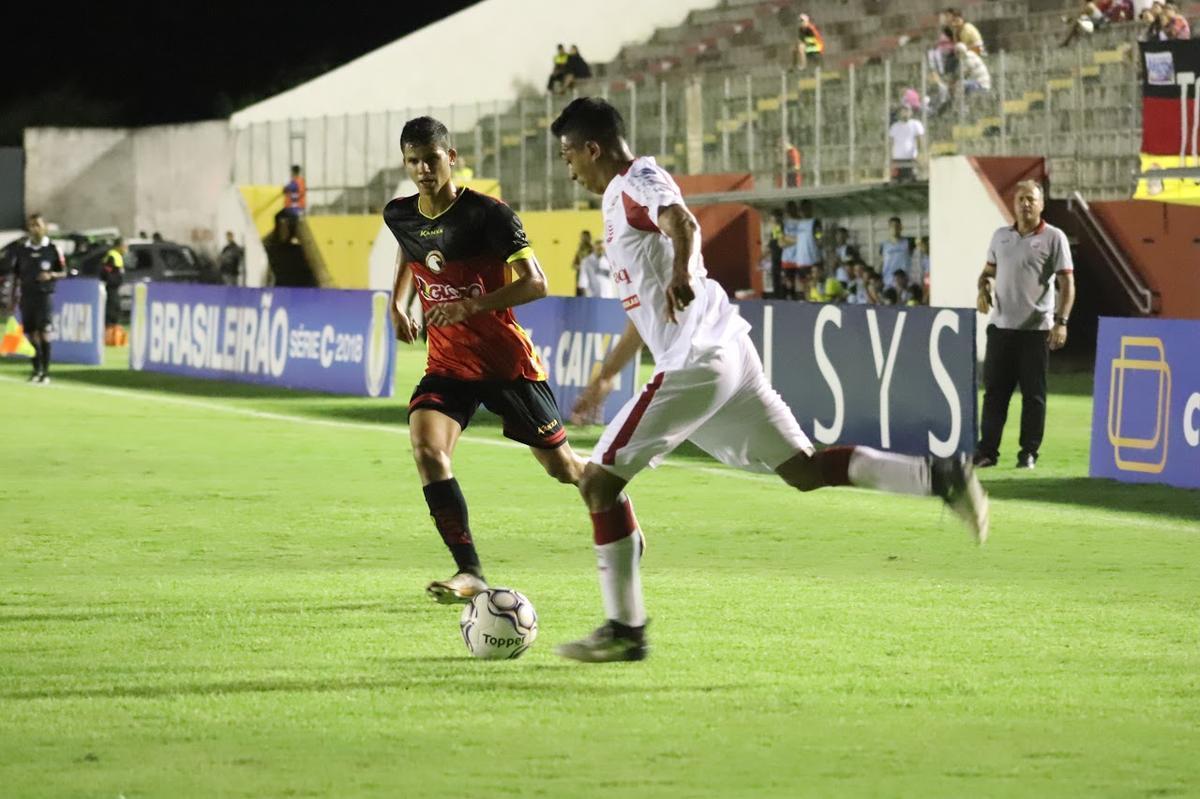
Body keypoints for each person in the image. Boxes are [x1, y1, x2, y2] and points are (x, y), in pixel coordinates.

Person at [550, 97, 989, 662]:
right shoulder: (622, 198)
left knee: (598, 483)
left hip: (699, 360)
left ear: (592, 148)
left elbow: (682, 222)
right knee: (804, 470)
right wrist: (608, 376)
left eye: (569, 156)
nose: (568, 170)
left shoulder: (636, 182)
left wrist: (684, 267)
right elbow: (646, 314)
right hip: (723, 357)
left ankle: (625, 629)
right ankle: (942, 477)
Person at [382, 116, 585, 604]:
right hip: (448, 366)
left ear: (451, 158)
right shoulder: (399, 214)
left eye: (432, 159)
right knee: (428, 451)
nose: (424, 170)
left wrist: (470, 304)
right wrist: (397, 303)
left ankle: (611, 495)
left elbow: (536, 282)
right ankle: (469, 571)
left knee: (563, 469)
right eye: (414, 161)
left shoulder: (489, 214)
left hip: (504, 364)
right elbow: (410, 255)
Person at [974, 180, 1075, 470]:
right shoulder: (1000, 237)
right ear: (1014, 203)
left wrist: (1061, 322)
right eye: (1020, 199)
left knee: (1033, 396)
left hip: (1035, 331)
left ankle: (1028, 452)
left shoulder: (1054, 238)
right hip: (1001, 328)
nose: (1025, 204)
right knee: (995, 393)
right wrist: (983, 289)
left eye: (1031, 199)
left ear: (1041, 204)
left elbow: (1067, 283)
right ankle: (987, 452)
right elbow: (987, 273)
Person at [4, 213, 66, 383]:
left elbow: (65, 271)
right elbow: (16, 276)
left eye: (37, 225)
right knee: (30, 335)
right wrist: (12, 298)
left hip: (44, 296)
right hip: (26, 297)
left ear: (44, 227)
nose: (34, 229)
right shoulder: (22, 250)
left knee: (44, 333)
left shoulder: (53, 249)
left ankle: (45, 373)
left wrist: (51, 274)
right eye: (31, 226)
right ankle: (36, 370)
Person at [782, 199, 821, 299]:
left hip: (812, 260)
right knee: (804, 288)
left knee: (814, 286)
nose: (802, 211)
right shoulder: (798, 223)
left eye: (805, 209)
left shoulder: (814, 222)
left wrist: (817, 240)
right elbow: (788, 237)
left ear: (810, 209)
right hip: (801, 261)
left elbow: (819, 238)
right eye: (801, 209)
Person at [100, 237, 128, 344]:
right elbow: (106, 272)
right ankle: (108, 337)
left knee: (116, 309)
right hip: (111, 288)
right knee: (111, 310)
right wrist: (112, 280)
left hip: (115, 288)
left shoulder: (118, 256)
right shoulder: (112, 256)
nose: (126, 249)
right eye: (125, 246)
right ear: (119, 246)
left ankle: (113, 335)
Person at [889, 106, 925, 182]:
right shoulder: (894, 126)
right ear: (899, 113)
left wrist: (920, 155)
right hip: (897, 159)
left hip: (911, 159)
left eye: (907, 110)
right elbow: (891, 143)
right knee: (896, 181)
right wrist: (890, 158)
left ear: (911, 112)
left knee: (911, 181)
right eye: (903, 111)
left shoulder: (916, 124)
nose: (905, 113)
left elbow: (920, 140)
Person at [879, 217, 914, 288]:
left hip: (904, 281)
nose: (894, 228)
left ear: (901, 227)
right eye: (892, 226)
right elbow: (882, 263)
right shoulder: (884, 245)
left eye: (897, 226)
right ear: (888, 228)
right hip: (888, 281)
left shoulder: (908, 242)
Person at [277, 165, 307, 244]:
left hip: (293, 208)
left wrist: (285, 188)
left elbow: (287, 188)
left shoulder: (296, 182)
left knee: (288, 220)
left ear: (293, 172)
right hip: (296, 207)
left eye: (291, 172)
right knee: (288, 220)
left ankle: (290, 238)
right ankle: (290, 238)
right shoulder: (300, 181)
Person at [572, 229, 593, 297]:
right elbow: (573, 264)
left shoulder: (593, 250)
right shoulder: (579, 251)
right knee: (579, 297)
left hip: (590, 279)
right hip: (579, 278)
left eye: (585, 237)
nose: (583, 239)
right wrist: (578, 267)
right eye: (582, 237)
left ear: (589, 238)